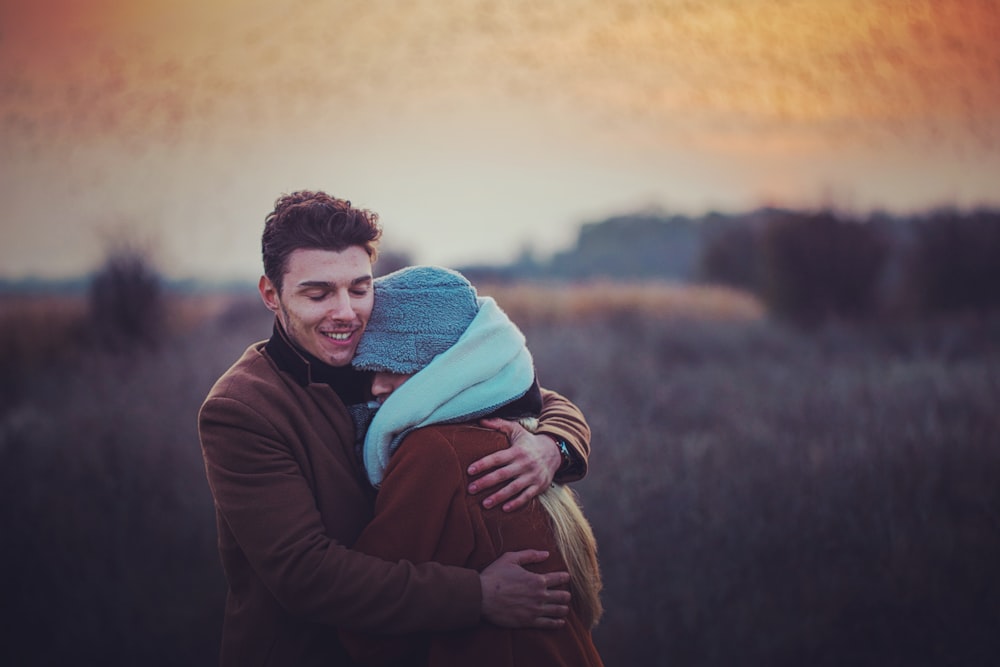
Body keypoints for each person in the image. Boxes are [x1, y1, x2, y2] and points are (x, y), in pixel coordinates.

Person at [198, 191, 591, 667]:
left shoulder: (380, 353)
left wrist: (554, 445)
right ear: (270, 295)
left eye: (359, 289)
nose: (345, 312)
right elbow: (306, 574)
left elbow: (516, 390)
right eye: (317, 294)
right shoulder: (242, 409)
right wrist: (479, 596)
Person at [341, 265, 603, 667]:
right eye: (369, 368)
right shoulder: (509, 418)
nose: (376, 386)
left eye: (392, 366)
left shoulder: (434, 450)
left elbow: (366, 624)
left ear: (443, 366)